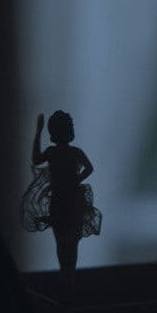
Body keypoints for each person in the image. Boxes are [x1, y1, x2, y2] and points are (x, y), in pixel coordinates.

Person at [22, 111, 101, 302]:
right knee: (65, 244)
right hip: (61, 201)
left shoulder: (67, 152)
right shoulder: (62, 152)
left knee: (68, 244)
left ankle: (68, 281)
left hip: (69, 200)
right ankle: (67, 281)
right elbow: (36, 159)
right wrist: (38, 131)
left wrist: (73, 181)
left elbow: (89, 168)